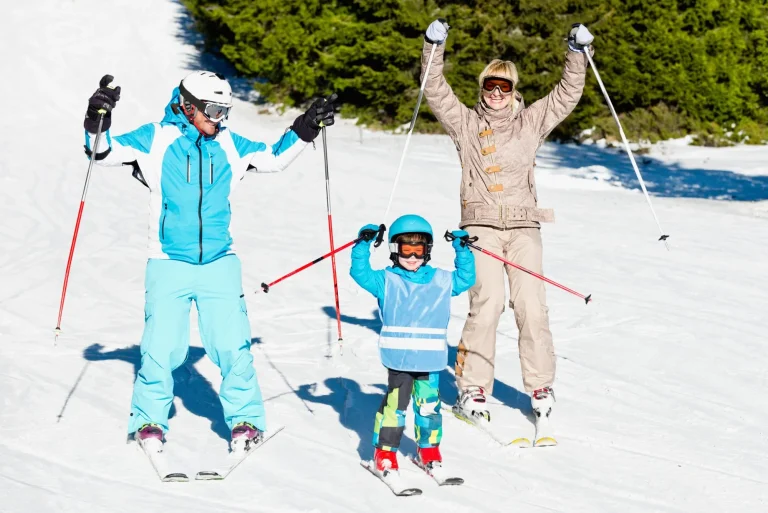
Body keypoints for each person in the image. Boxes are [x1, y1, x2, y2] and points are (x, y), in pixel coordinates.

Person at [81, 71, 337, 450]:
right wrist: (96, 117)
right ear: (188, 106)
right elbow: (100, 153)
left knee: (233, 347)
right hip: (168, 261)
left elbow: (274, 158)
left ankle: (246, 420)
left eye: (226, 111)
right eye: (214, 110)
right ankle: (150, 421)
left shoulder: (230, 144)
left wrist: (307, 125)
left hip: (220, 262)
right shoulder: (156, 138)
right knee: (160, 347)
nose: (221, 119)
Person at [421, 20, 595, 444]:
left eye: (503, 86)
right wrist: (432, 45)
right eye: (489, 86)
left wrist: (575, 52)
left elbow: (567, 95)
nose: (495, 93)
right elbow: (434, 87)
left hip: (523, 224)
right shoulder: (465, 123)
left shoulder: (531, 121)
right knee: (488, 302)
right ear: (482, 88)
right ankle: (472, 389)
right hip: (480, 224)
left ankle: (541, 386)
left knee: (532, 305)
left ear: (513, 89)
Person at [350, 215, 475, 474]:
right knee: (395, 407)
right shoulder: (386, 280)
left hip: (430, 361)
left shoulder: (441, 280)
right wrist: (363, 245)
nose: (413, 256)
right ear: (395, 250)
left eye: (419, 249)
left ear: (427, 251)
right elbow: (359, 273)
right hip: (400, 360)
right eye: (406, 249)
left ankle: (428, 450)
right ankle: (385, 453)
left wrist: (462, 250)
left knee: (429, 407)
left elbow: (466, 279)